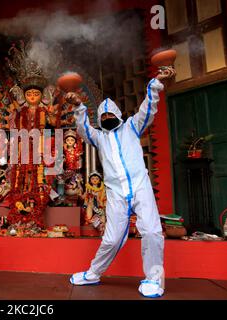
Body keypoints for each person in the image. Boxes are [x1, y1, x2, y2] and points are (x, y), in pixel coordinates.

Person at [67, 66, 176, 298]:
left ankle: (154, 280)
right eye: (103, 117)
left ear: (118, 115)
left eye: (110, 116)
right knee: (112, 238)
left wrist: (156, 83)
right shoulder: (98, 137)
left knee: (152, 232)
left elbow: (148, 108)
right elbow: (83, 128)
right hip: (115, 192)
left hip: (140, 186)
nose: (107, 119)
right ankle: (93, 273)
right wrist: (78, 106)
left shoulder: (132, 127)